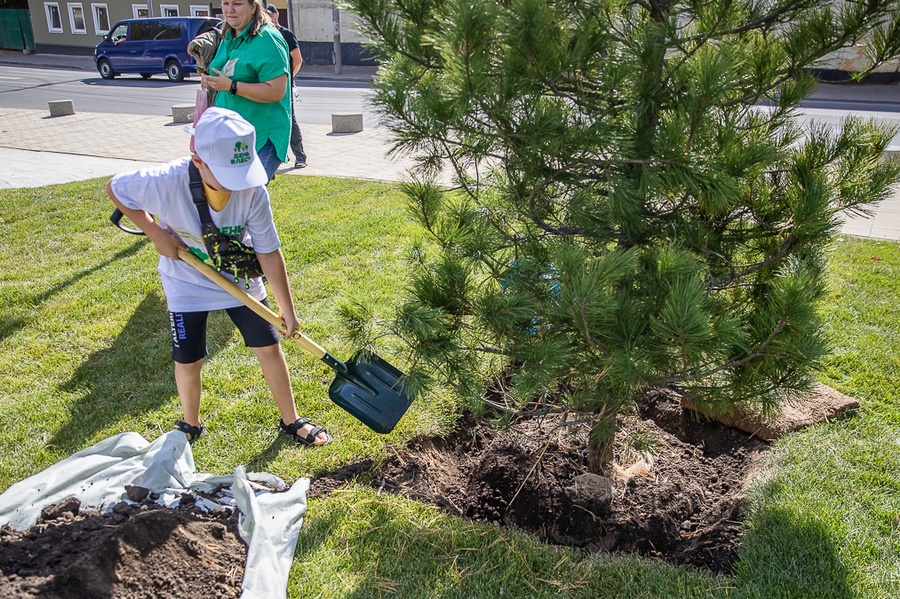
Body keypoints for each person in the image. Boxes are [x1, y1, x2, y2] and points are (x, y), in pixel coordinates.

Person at [106, 107, 332, 447]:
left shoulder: (253, 190)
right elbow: (115, 189)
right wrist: (154, 232)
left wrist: (288, 308)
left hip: (237, 276)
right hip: (186, 282)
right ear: (198, 161)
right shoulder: (163, 182)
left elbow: (268, 252)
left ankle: (291, 420)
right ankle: (190, 424)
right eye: (227, 175)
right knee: (189, 358)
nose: (236, 185)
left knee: (269, 347)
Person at [201, 0, 291, 181]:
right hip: (229, 136)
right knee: (230, 200)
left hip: (261, 137)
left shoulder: (267, 39)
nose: (230, 9)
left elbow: (276, 91)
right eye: (225, 3)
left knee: (247, 197)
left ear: (253, 6)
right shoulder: (228, 36)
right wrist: (210, 80)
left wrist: (232, 86)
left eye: (237, 3)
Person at [267, 4, 307, 169]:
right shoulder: (261, 36)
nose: (267, 17)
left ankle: (300, 156)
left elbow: (297, 60)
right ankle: (279, 155)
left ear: (276, 15)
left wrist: (289, 79)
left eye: (269, 14)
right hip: (264, 85)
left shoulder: (285, 34)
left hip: (283, 85)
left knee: (289, 119)